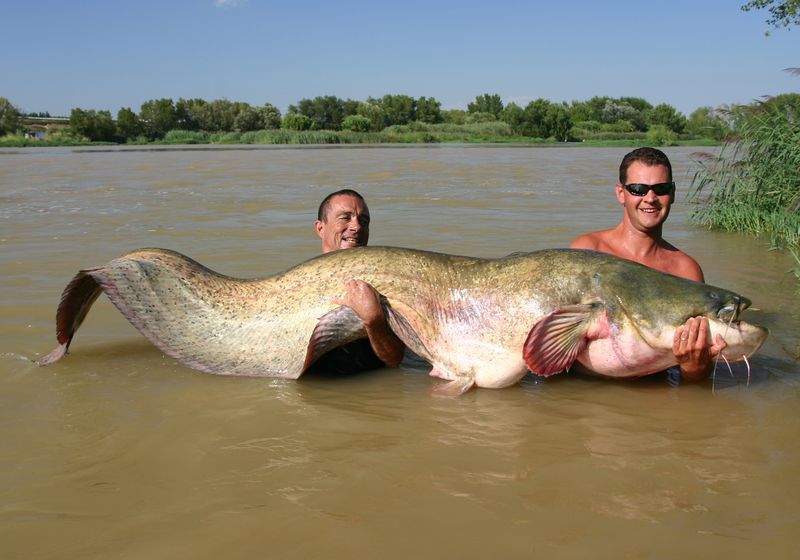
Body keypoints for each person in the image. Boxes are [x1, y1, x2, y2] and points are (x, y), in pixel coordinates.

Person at [569, 147, 726, 382]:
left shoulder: (685, 269)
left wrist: (694, 368)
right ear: (621, 193)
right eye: (638, 189)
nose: (650, 198)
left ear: (672, 193)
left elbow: (697, 379)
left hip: (653, 390)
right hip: (581, 391)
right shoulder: (588, 250)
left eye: (660, 189)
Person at [310, 189, 405, 373]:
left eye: (363, 221)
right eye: (345, 218)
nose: (356, 227)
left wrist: (374, 320)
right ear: (320, 228)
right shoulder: (298, 283)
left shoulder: (381, 285)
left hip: (369, 393)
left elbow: (395, 360)